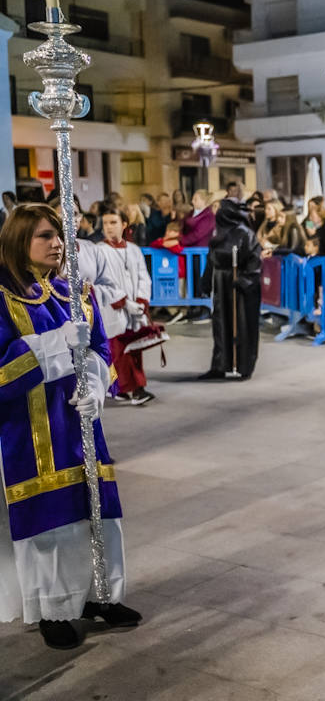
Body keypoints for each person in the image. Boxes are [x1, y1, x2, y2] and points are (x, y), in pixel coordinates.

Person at [0, 204, 140, 649]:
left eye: (59, 234)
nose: (57, 243)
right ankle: (55, 609)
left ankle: (101, 595)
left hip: (83, 426)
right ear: (20, 240)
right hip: (32, 431)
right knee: (52, 523)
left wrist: (96, 388)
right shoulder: (2, 296)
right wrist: (54, 343)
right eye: (45, 235)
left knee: (96, 512)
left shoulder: (76, 291)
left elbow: (101, 351)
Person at [198, 200, 262, 381]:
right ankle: (219, 365)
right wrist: (206, 282)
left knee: (242, 325)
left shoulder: (245, 234)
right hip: (221, 283)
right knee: (221, 325)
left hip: (239, 286)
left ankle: (244, 366)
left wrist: (244, 281)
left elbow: (255, 261)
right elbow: (212, 260)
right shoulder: (218, 233)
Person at [98, 205, 154, 406]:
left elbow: (143, 276)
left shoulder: (134, 250)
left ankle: (123, 389)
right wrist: (123, 302)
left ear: (124, 225)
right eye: (105, 223)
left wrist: (141, 300)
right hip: (115, 310)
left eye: (113, 223)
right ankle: (136, 390)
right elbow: (102, 282)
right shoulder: (99, 251)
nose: (109, 227)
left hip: (135, 310)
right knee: (120, 351)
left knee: (135, 349)